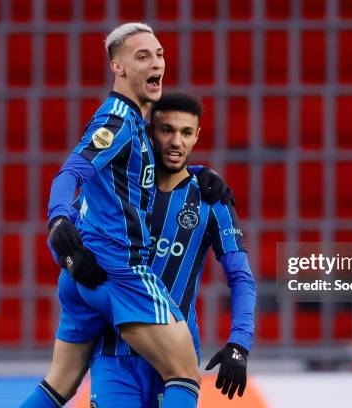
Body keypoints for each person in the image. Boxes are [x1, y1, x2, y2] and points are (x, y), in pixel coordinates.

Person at [21, 23, 227, 408]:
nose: (156, 63)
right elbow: (70, 172)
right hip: (121, 270)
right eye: (143, 56)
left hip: (81, 274)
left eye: (160, 54)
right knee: (184, 371)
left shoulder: (133, 124)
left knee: (58, 385)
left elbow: (143, 172)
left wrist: (201, 173)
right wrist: (58, 220)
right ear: (118, 67)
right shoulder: (115, 123)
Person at [85, 92, 256, 407]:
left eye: (186, 132)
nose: (176, 141)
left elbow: (241, 278)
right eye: (167, 130)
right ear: (150, 132)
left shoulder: (211, 200)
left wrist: (239, 344)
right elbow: (71, 225)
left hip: (176, 360)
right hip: (115, 354)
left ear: (196, 136)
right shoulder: (119, 189)